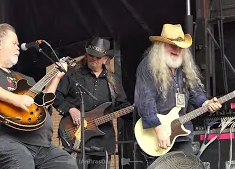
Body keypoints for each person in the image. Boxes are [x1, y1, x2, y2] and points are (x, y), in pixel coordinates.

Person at [0, 23, 77, 169]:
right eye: (14, 43)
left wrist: (56, 78)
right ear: (0, 43)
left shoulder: (25, 79)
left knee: (67, 163)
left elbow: (42, 106)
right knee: (21, 159)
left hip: (37, 144)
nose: (18, 48)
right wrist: (16, 99)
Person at [134, 24, 222, 166]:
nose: (177, 50)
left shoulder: (184, 67)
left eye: (180, 46)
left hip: (182, 132)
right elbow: (145, 101)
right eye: (172, 45)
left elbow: (195, 93)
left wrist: (206, 104)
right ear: (161, 46)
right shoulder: (148, 66)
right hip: (156, 135)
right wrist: (159, 131)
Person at [53, 37, 131, 169]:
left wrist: (133, 109)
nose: (93, 59)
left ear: (105, 59)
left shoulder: (113, 80)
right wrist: (70, 109)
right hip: (76, 140)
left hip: (103, 143)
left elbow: (120, 104)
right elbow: (55, 96)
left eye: (98, 57)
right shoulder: (73, 74)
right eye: (91, 55)